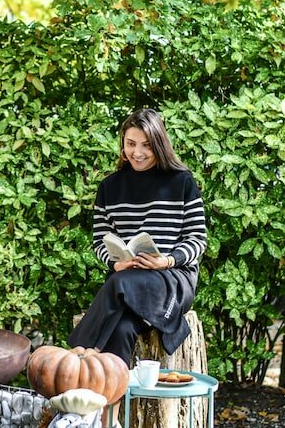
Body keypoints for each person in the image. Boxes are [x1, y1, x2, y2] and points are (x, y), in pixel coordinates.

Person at [69, 107, 207, 368]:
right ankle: (110, 404)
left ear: (159, 145)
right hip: (128, 279)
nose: (138, 153)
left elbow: (198, 241)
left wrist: (165, 261)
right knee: (120, 329)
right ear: (123, 142)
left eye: (147, 145)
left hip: (172, 279)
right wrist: (115, 263)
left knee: (121, 282)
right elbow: (100, 242)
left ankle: (82, 349)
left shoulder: (182, 182)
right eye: (131, 144)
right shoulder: (109, 187)